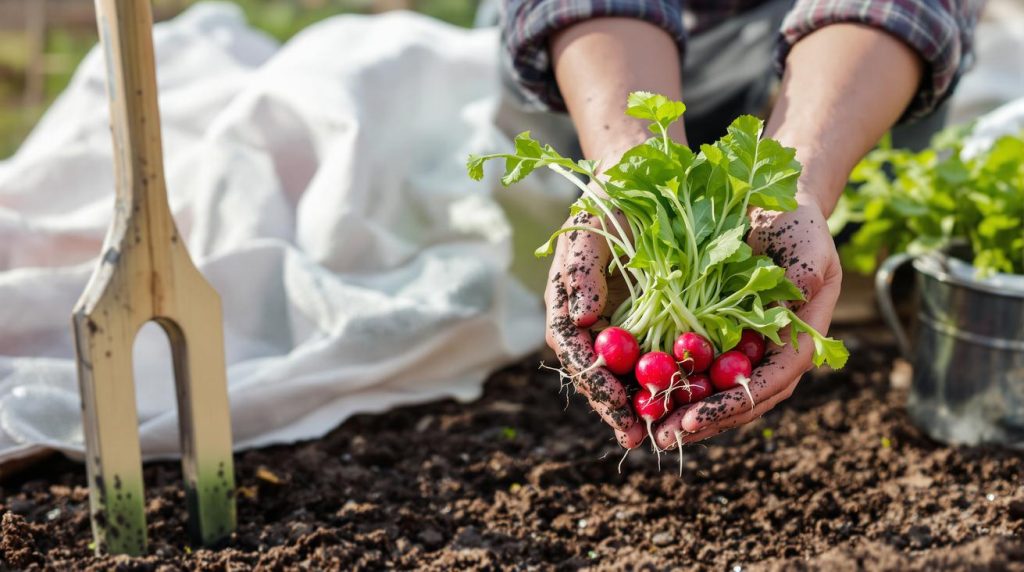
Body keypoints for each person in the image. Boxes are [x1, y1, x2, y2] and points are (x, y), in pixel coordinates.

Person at [497, 0, 985, 450]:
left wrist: (801, 178)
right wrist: (626, 161)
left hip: (834, 63)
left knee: (841, 253)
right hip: (622, 49)